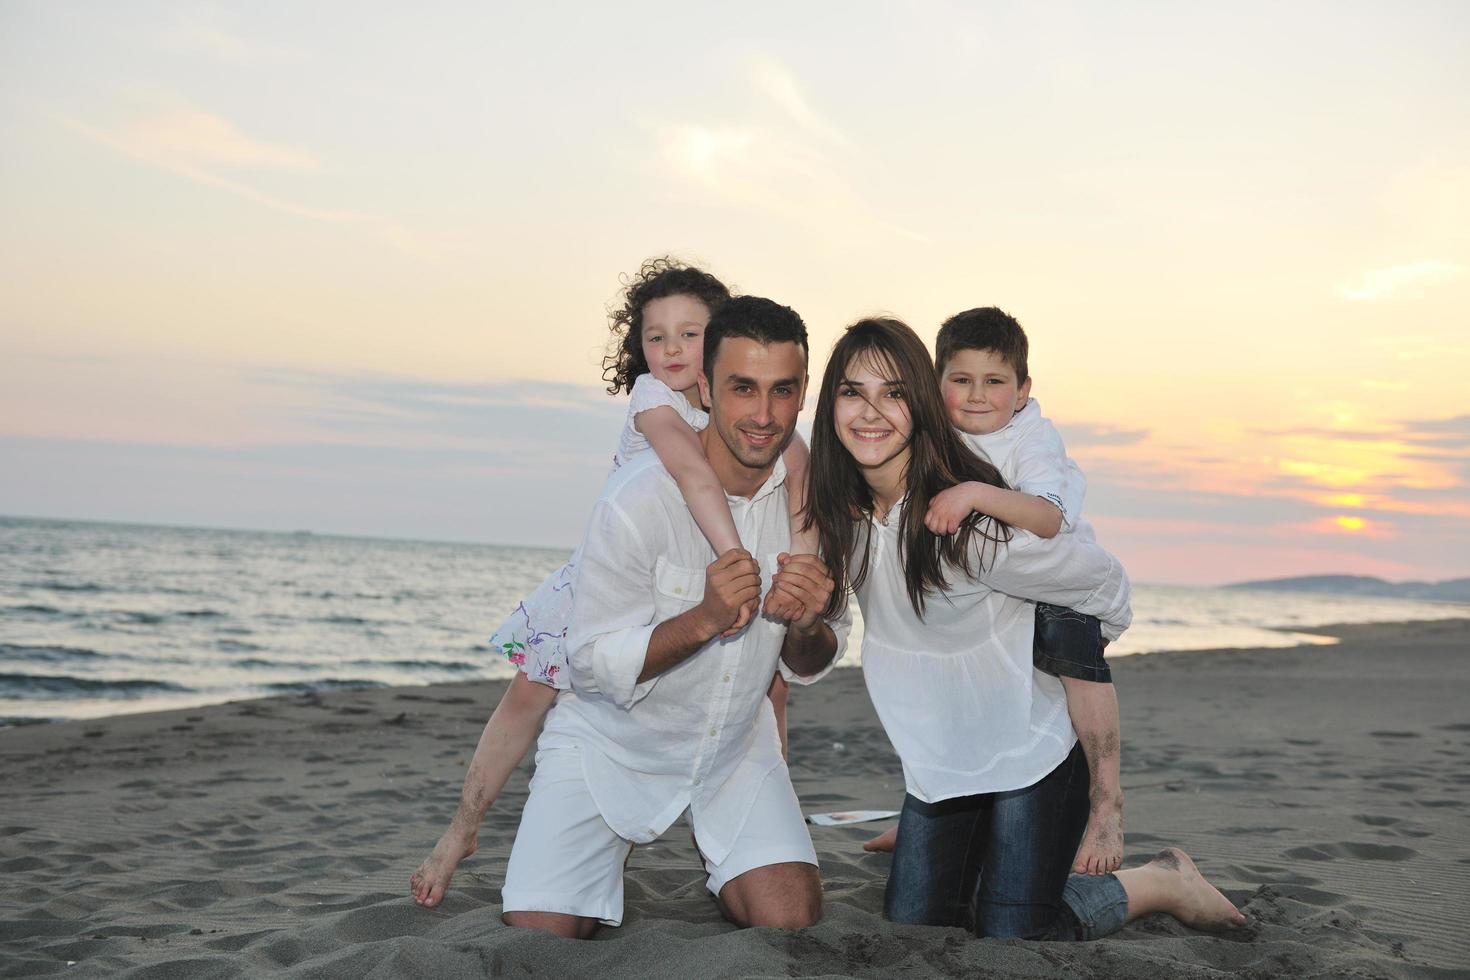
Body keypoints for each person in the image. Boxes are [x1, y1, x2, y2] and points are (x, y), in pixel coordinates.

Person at [806, 317, 1244, 939]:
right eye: (852, 392)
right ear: (831, 406)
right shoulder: (843, 517)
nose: (870, 411)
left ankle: (1158, 881)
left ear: (921, 403)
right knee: (914, 928)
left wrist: (1078, 634)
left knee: (1015, 936)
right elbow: (819, 645)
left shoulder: (970, 526)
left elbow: (1103, 583)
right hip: (946, 763)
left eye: (894, 392)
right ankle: (973, 845)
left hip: (1030, 752)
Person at [409, 261, 810, 908]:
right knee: (528, 694)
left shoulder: (751, 407)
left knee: (773, 683)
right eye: (656, 338)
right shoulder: (654, 400)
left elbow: (799, 460)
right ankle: (462, 830)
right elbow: (693, 476)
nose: (671, 351)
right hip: (613, 578)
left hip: (696, 578)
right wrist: (740, 562)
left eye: (689, 334)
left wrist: (801, 560)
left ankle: (758, 808)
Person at [499, 295, 848, 938]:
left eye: (783, 391)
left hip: (734, 750)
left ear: (804, 396)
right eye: (743, 388)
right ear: (706, 388)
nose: (763, 415)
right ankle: (596, 859)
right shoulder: (636, 500)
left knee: (790, 920)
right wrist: (704, 618)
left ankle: (728, 864)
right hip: (612, 745)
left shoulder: (815, 511)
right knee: (539, 936)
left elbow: (816, 660)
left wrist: (805, 623)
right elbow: (589, 662)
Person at [864, 307, 1123, 877]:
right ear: (936, 384)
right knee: (950, 667)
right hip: (993, 595)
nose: (977, 396)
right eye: (961, 380)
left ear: (1023, 391)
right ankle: (926, 802)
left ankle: (1107, 803)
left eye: (995, 381)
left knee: (1073, 653)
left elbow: (1048, 520)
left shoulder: (1032, 437)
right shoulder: (932, 432)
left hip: (1059, 585)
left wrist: (974, 493)